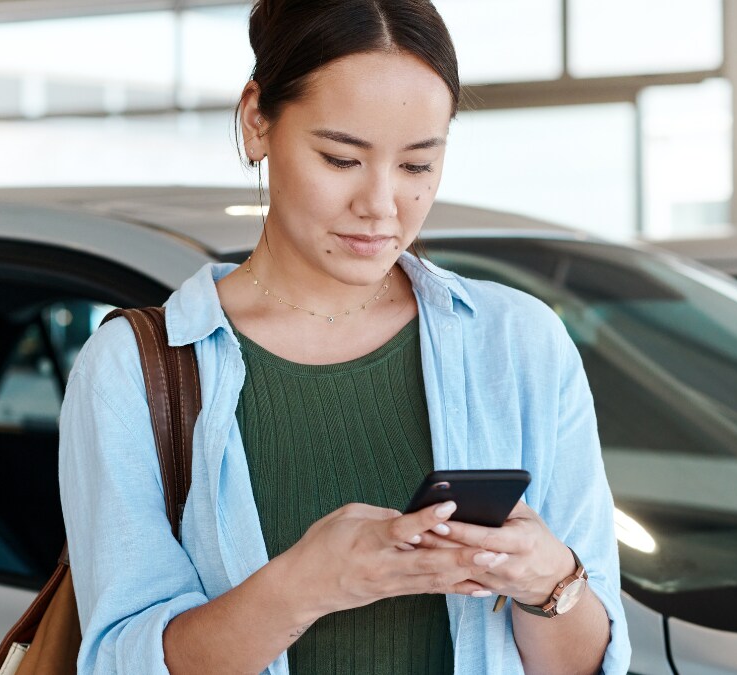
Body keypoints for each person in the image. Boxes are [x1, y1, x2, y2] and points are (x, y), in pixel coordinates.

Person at [58, 0, 631, 672]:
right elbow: (120, 663)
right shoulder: (133, 370)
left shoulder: (520, 344)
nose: (381, 205)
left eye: (417, 166)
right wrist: (305, 585)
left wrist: (549, 580)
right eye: (340, 158)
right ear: (256, 122)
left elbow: (582, 665)